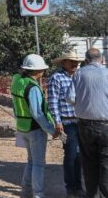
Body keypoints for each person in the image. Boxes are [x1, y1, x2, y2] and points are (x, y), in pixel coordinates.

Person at [11, 54, 60, 198]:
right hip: (35, 130)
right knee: (38, 164)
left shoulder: (18, 82)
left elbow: (15, 106)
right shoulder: (33, 88)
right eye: (42, 69)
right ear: (37, 71)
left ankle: (25, 192)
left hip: (22, 127)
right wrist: (51, 130)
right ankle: (38, 194)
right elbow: (37, 113)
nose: (44, 72)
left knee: (31, 161)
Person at [67, 47, 108, 198]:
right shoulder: (107, 72)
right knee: (106, 164)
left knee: (89, 162)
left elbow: (70, 98)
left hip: (84, 125)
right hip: (106, 126)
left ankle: (92, 195)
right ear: (101, 60)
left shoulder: (78, 74)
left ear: (86, 60)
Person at [48, 50, 84, 198]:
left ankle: (78, 186)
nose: (75, 64)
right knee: (70, 156)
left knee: (79, 156)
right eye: (71, 61)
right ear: (64, 63)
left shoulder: (80, 77)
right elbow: (53, 101)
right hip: (67, 122)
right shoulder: (56, 78)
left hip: (81, 122)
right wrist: (57, 121)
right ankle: (71, 188)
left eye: (76, 61)